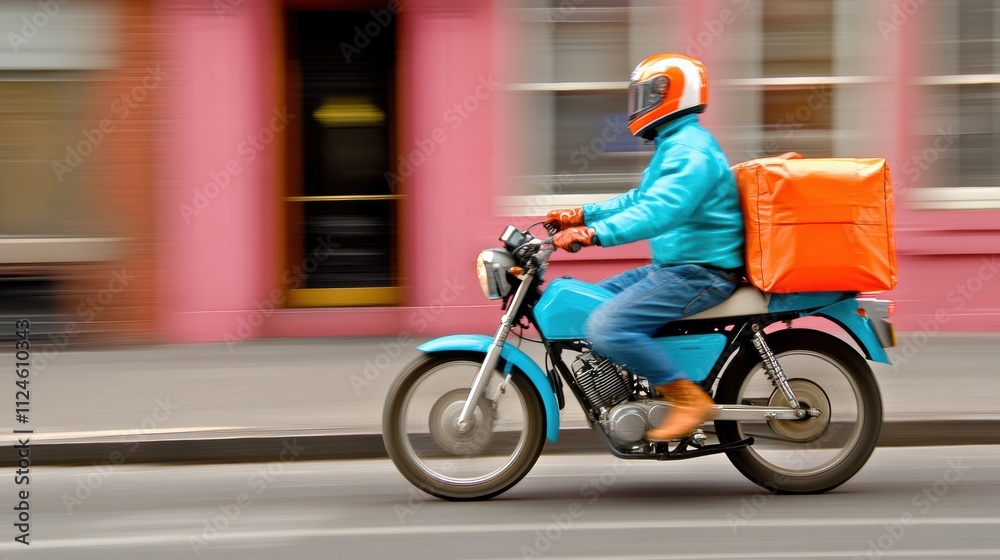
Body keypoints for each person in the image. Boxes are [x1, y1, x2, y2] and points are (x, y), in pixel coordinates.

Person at [546, 53, 745, 442]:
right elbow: (639, 198)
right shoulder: (675, 145)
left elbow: (660, 210)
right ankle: (635, 390)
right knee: (587, 300)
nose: (639, 106)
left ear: (669, 94)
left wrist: (595, 235)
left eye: (646, 96)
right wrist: (583, 214)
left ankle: (687, 399)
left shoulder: (691, 151)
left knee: (608, 325)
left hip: (701, 273)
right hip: (675, 267)